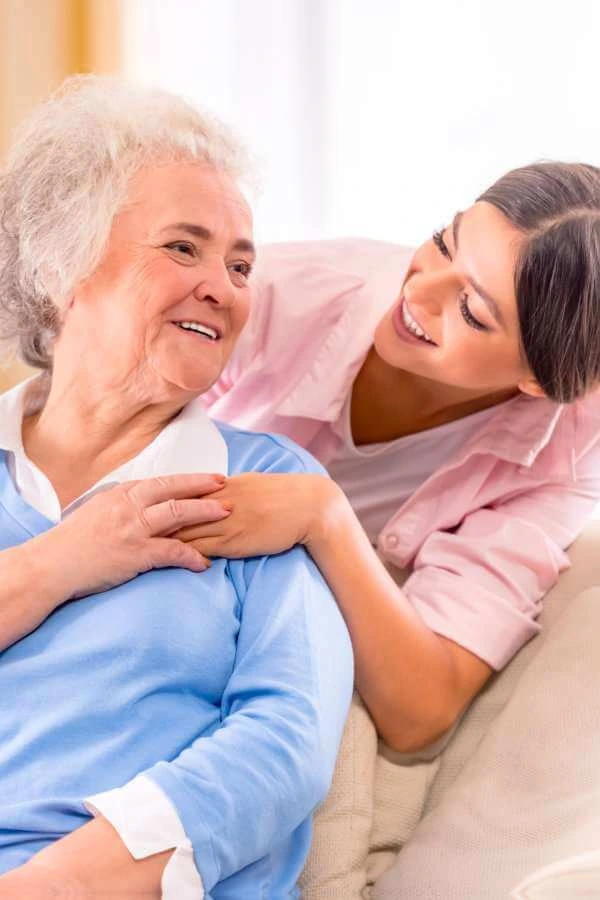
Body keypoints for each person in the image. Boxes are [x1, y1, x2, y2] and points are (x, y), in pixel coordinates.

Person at [0, 76, 353, 899]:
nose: (223, 288)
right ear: (64, 265)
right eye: (183, 247)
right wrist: (59, 564)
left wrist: (51, 889)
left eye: (240, 265)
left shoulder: (262, 487)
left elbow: (284, 744)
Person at [177, 162, 600, 754]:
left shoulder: (565, 453)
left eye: (472, 311)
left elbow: (420, 710)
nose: (418, 291)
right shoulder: (282, 292)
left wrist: (324, 518)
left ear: (536, 380)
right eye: (443, 243)